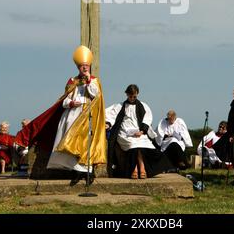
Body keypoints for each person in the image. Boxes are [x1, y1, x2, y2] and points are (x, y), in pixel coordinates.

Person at [15, 45, 107, 185]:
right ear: (78, 67)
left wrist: (88, 80)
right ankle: (77, 172)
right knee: (71, 144)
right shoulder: (72, 81)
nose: (85, 68)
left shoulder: (94, 80)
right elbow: (64, 100)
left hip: (88, 115)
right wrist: (70, 103)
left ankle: (88, 172)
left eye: (87, 66)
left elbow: (96, 96)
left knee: (85, 144)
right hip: (72, 116)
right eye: (82, 66)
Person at [106, 84, 172, 179]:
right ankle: (138, 168)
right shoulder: (120, 106)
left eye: (134, 96)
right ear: (126, 94)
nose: (132, 98)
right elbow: (111, 116)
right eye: (130, 96)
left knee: (142, 144)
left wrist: (142, 131)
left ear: (137, 94)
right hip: (124, 133)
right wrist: (108, 123)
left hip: (139, 132)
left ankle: (140, 167)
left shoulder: (143, 106)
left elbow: (147, 119)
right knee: (133, 144)